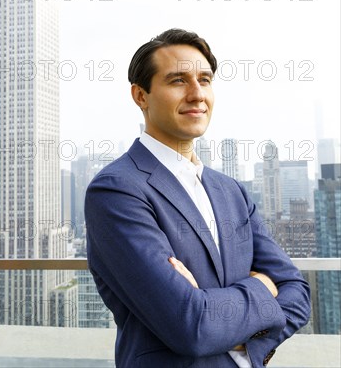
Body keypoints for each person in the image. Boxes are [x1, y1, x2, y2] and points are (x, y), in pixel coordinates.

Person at [85, 28, 311, 368]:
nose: (196, 94)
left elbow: (297, 294)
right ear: (140, 95)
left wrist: (221, 317)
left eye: (204, 80)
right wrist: (263, 287)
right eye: (178, 81)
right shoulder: (117, 190)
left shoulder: (231, 191)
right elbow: (191, 326)